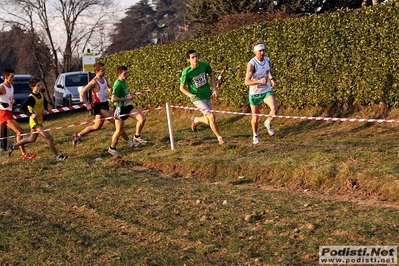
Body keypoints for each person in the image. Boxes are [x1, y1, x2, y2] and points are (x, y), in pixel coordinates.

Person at [72, 62, 139, 148]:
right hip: (98, 106)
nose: (104, 72)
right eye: (102, 70)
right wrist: (87, 104)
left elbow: (109, 88)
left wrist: (113, 92)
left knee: (96, 127)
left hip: (105, 104)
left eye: (104, 70)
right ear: (97, 71)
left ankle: (77, 135)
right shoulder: (93, 82)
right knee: (117, 122)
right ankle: (130, 142)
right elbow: (82, 92)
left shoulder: (104, 79)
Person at [8, 78, 67, 161]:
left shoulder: (41, 94)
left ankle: (14, 145)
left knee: (31, 139)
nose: (40, 87)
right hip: (35, 122)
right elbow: (22, 109)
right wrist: (30, 114)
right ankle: (58, 156)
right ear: (33, 87)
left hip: (40, 120)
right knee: (49, 138)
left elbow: (44, 102)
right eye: (38, 85)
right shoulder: (31, 98)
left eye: (40, 85)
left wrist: (45, 109)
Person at [179, 49, 226, 145]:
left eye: (196, 56)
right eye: (193, 57)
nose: (195, 59)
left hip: (207, 95)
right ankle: (220, 138)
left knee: (209, 120)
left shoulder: (204, 65)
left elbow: (212, 75)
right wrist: (190, 95)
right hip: (197, 98)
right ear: (188, 60)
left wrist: (215, 89)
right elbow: (181, 88)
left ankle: (196, 119)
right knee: (211, 116)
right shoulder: (186, 72)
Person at [108, 66, 147, 156]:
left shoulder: (124, 81)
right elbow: (113, 99)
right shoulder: (117, 83)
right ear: (119, 74)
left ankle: (137, 137)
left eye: (127, 73)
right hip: (120, 109)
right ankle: (112, 148)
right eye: (125, 73)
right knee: (119, 131)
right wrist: (126, 98)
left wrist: (129, 97)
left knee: (142, 118)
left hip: (128, 106)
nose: (127, 75)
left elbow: (124, 94)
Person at [244, 41, 278, 145]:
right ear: (255, 52)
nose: (262, 53)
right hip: (255, 93)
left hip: (266, 90)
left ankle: (268, 122)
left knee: (275, 108)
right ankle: (255, 135)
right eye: (260, 51)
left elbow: (268, 70)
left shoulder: (267, 60)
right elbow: (246, 82)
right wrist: (259, 81)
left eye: (263, 50)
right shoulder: (251, 64)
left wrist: (271, 79)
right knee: (255, 117)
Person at [0, 68, 36, 159]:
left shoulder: (11, 86)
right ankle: (24, 154)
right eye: (11, 77)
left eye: (13, 76)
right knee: (20, 131)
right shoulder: (2, 87)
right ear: (6, 77)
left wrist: (12, 101)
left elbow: (9, 98)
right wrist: (1, 103)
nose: (13, 78)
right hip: (4, 113)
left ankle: (23, 154)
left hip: (8, 111)